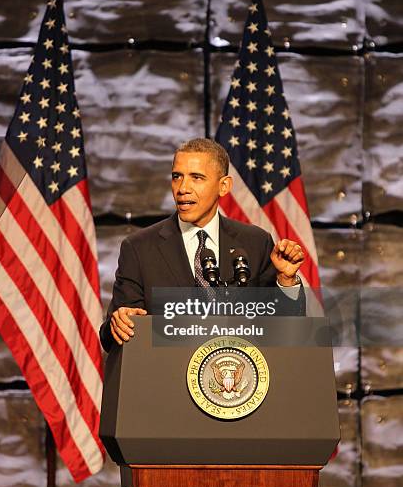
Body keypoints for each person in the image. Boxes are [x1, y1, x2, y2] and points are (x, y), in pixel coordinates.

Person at [100, 138, 305, 352]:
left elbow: (285, 331)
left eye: (196, 178)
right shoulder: (139, 248)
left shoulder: (255, 242)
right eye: (177, 177)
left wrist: (287, 280)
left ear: (224, 186)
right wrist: (119, 324)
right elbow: (109, 337)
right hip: (167, 379)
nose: (182, 188)